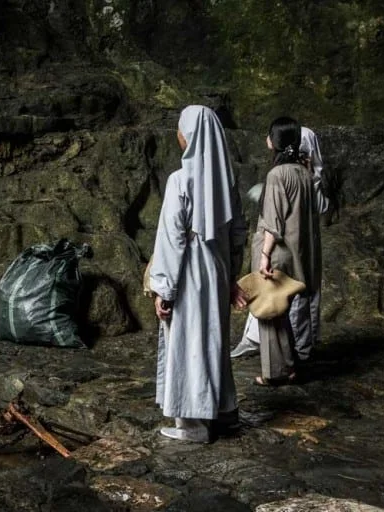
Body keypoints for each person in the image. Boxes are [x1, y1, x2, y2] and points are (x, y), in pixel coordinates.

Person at [149, 105, 248, 443]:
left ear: (189, 135)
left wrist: (164, 288)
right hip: (217, 270)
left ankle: (193, 425)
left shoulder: (179, 180)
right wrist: (231, 276)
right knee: (213, 339)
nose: (177, 133)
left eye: (180, 128)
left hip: (190, 270)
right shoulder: (227, 183)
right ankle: (224, 412)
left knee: (188, 341)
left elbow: (172, 238)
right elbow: (238, 234)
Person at [231, 123, 326, 363]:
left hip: (281, 250)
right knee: (295, 299)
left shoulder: (279, 175)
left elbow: (274, 223)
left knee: (276, 303)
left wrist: (265, 254)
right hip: (300, 248)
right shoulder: (304, 174)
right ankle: (296, 356)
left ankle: (284, 364)